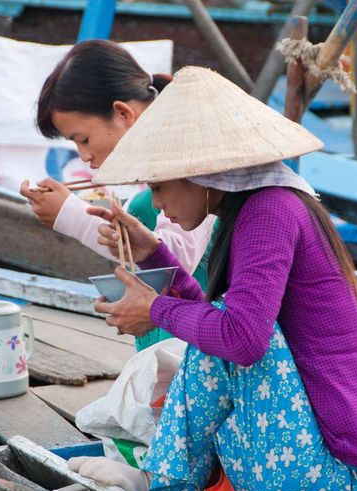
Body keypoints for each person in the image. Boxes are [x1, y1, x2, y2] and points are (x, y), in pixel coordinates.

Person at [68, 66, 357, 491]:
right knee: (216, 330)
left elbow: (240, 340)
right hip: (321, 490)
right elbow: (219, 326)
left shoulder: (269, 211)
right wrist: (153, 255)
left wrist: (157, 309)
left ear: (201, 175)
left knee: (226, 336)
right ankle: (163, 482)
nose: (157, 207)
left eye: (159, 187)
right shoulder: (253, 210)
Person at [20, 40, 214, 350]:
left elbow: (176, 263)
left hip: (214, 343)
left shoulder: (188, 151)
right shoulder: (169, 149)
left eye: (83, 139)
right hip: (202, 333)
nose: (84, 156)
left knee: (140, 208)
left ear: (123, 112)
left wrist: (70, 216)